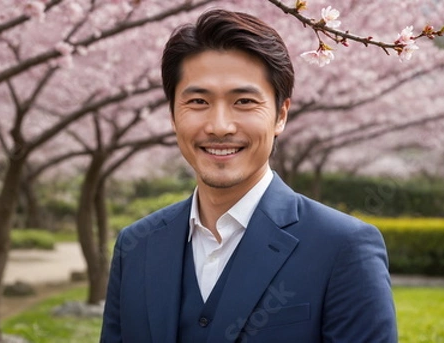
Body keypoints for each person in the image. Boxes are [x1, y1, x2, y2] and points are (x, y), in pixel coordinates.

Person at [100, 8, 397, 343]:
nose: (220, 126)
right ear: (172, 114)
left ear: (281, 115)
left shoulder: (343, 248)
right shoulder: (135, 246)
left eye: (243, 101)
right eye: (198, 101)